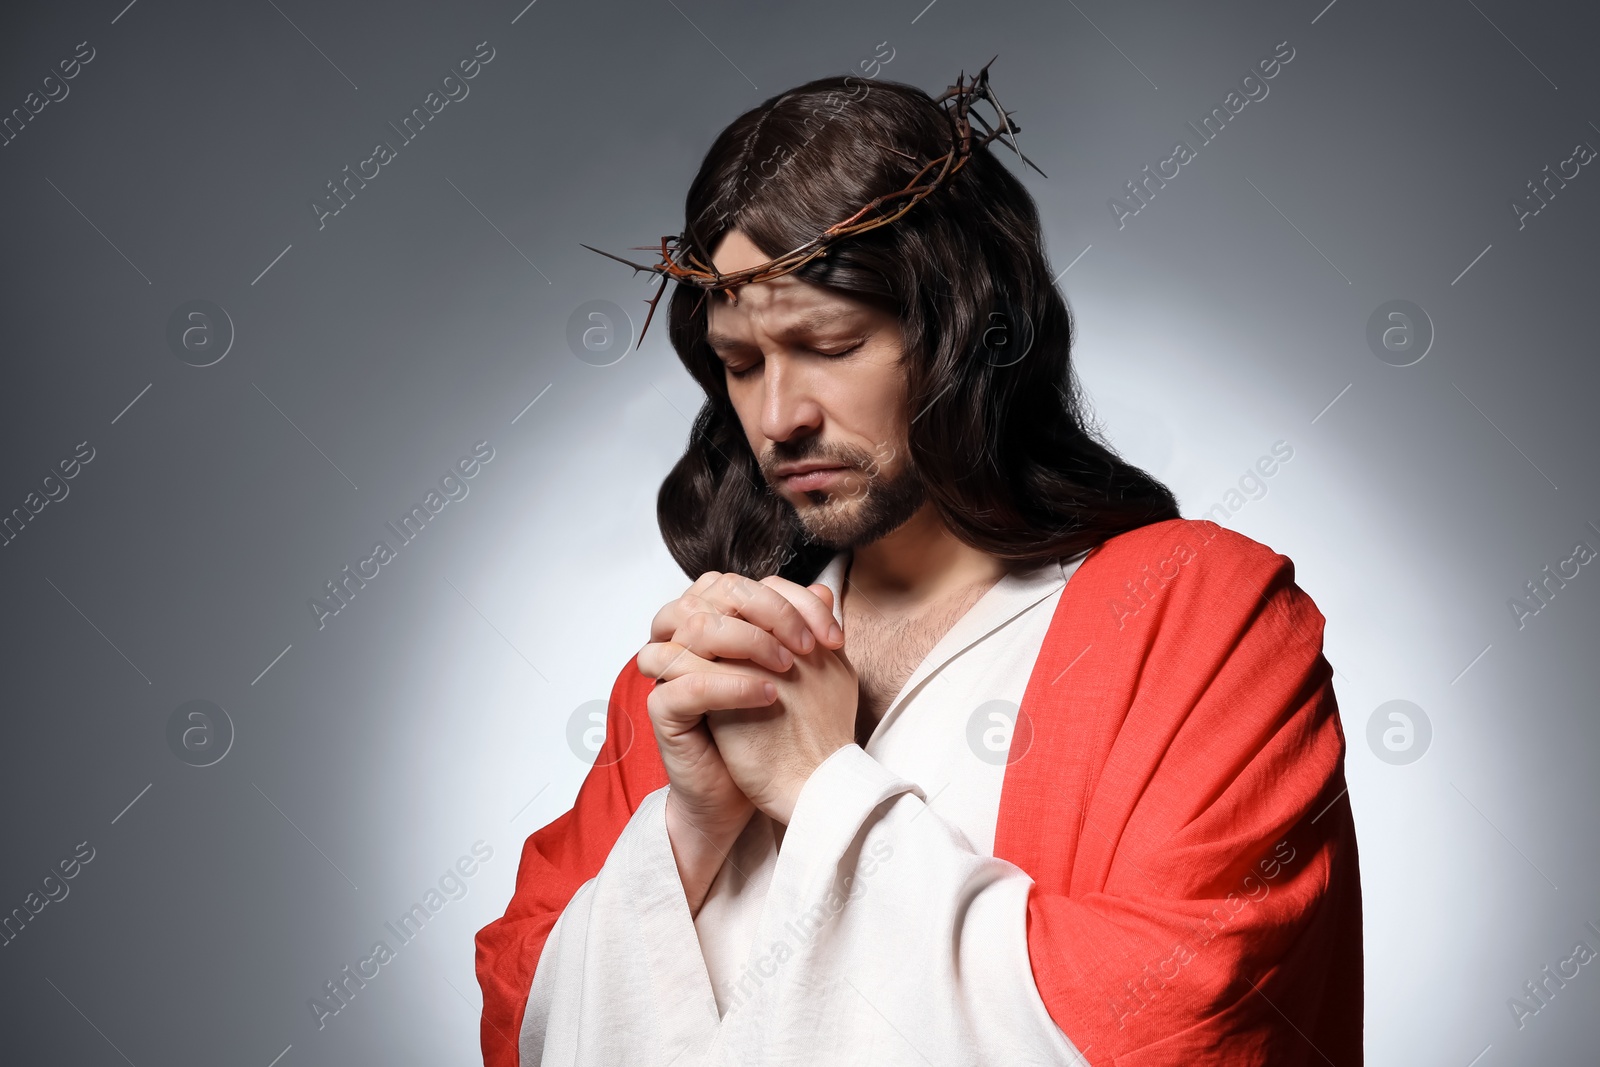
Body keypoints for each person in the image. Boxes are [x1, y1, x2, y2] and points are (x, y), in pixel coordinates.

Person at [476, 65, 1362, 1067]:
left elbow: (1186, 1015)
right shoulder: (708, 666)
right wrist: (685, 832)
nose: (777, 417)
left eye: (830, 341)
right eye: (741, 361)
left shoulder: (1196, 614)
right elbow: (523, 1006)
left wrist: (821, 789)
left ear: (961, 332)